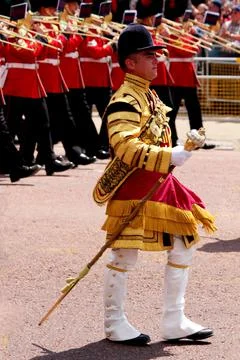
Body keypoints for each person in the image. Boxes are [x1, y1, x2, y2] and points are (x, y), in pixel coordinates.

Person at [93, 24, 216, 345]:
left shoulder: (148, 93)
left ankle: (174, 319)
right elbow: (125, 147)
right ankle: (113, 323)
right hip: (134, 187)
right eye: (150, 55)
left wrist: (178, 152)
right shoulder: (124, 100)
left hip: (160, 185)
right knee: (124, 256)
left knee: (184, 242)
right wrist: (169, 155)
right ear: (130, 62)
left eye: (156, 54)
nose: (157, 59)